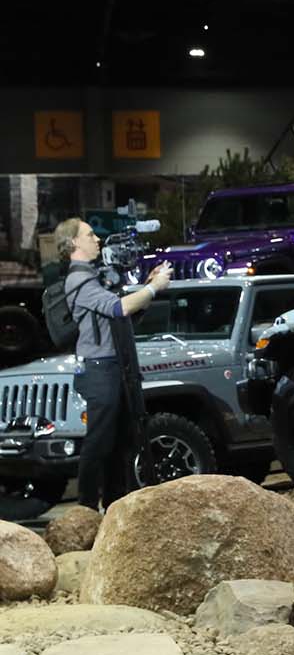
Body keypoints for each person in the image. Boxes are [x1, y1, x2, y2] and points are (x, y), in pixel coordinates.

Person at [58, 218, 171, 510]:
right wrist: (155, 288)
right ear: (73, 243)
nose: (97, 239)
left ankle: (114, 505)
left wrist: (146, 286)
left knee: (121, 442)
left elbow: (124, 312)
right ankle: (85, 508)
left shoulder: (91, 278)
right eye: (90, 234)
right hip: (99, 369)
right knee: (99, 442)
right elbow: (118, 307)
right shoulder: (78, 279)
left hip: (113, 366)